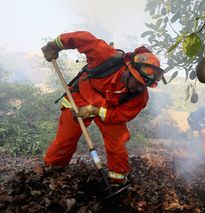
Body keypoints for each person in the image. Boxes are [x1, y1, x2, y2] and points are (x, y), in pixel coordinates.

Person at [41, 31, 164, 186]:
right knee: (66, 138)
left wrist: (96, 111)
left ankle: (117, 181)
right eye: (137, 82)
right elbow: (82, 38)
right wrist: (55, 46)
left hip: (109, 110)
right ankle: (53, 170)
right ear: (129, 70)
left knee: (117, 143)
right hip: (81, 97)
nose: (139, 87)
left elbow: (121, 115)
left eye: (144, 85)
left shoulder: (139, 96)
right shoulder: (105, 56)